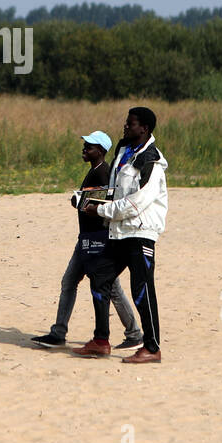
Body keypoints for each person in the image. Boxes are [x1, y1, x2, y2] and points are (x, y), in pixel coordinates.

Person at [31, 131, 144, 349]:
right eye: (85, 145)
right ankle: (59, 332)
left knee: (108, 288)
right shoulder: (96, 171)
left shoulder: (103, 173)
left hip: (98, 241)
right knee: (71, 282)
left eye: (89, 146)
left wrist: (79, 202)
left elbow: (101, 205)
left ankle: (134, 334)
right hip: (86, 239)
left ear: (101, 150)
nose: (84, 150)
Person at [74, 107, 168, 364]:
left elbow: (136, 203)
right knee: (100, 278)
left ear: (144, 129)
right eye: (126, 123)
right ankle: (101, 341)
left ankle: (152, 347)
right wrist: (88, 200)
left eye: (131, 124)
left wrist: (101, 210)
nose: (125, 127)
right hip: (119, 231)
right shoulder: (123, 153)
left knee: (142, 288)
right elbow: (115, 191)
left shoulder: (152, 161)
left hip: (140, 233)